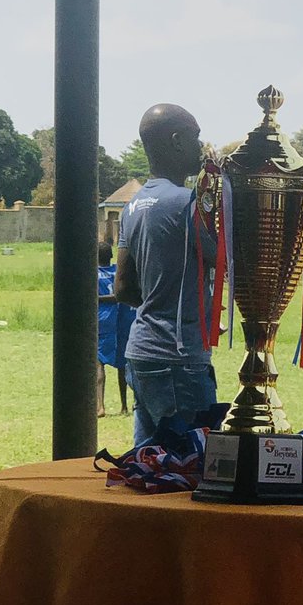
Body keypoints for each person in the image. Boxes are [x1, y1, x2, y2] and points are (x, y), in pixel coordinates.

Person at [115, 103, 219, 448]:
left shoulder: (132, 206)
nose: (201, 146)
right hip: (180, 359)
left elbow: (123, 288)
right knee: (189, 467)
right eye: (196, 137)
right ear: (177, 141)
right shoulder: (187, 203)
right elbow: (225, 259)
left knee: (149, 466)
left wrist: (162, 299)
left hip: (142, 352)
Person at [97, 242, 130, 417]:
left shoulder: (94, 274)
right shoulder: (117, 270)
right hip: (121, 319)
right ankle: (124, 406)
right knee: (122, 364)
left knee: (99, 363)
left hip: (102, 319)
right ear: (111, 256)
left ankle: (100, 406)